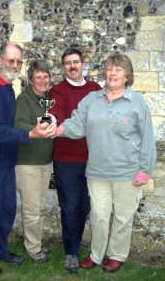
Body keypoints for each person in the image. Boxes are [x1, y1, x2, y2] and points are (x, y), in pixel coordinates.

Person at [54, 53, 156, 273]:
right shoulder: (92, 99)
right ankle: (96, 254)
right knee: (98, 216)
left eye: (118, 70)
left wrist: (144, 171)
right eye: (109, 69)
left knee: (122, 217)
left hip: (128, 173)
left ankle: (117, 255)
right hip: (97, 172)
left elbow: (148, 138)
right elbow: (77, 124)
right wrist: (56, 130)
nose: (112, 73)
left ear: (127, 75)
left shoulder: (137, 102)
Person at [0, 44, 56, 276]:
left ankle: (0, 250)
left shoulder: (7, 89)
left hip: (6, 161)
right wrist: (30, 134)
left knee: (7, 210)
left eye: (18, 62)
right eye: (11, 60)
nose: (14, 65)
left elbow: (9, 127)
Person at [49, 47, 101, 273]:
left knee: (85, 206)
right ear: (64, 67)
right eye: (68, 63)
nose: (72, 66)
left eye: (76, 62)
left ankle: (75, 242)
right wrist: (52, 119)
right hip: (66, 160)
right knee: (69, 206)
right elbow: (56, 111)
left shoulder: (95, 89)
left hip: (93, 159)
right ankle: (71, 252)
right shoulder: (57, 90)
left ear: (82, 64)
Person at [15, 60, 53, 263]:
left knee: (39, 207)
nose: (42, 80)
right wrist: (38, 129)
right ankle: (33, 249)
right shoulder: (24, 100)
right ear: (30, 80)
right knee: (31, 209)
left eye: (45, 76)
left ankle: (36, 243)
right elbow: (19, 125)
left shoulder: (46, 99)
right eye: (38, 77)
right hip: (28, 163)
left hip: (46, 162)